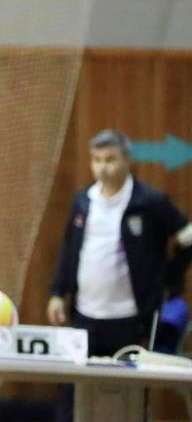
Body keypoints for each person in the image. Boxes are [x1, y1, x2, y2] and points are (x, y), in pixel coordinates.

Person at [48, 128, 192, 420]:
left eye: (110, 159)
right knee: (73, 394)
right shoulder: (83, 202)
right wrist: (56, 294)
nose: (103, 166)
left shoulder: (149, 202)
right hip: (85, 316)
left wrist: (168, 278)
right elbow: (69, 251)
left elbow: (187, 236)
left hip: (129, 319)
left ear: (127, 160)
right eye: (97, 159)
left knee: (128, 398)